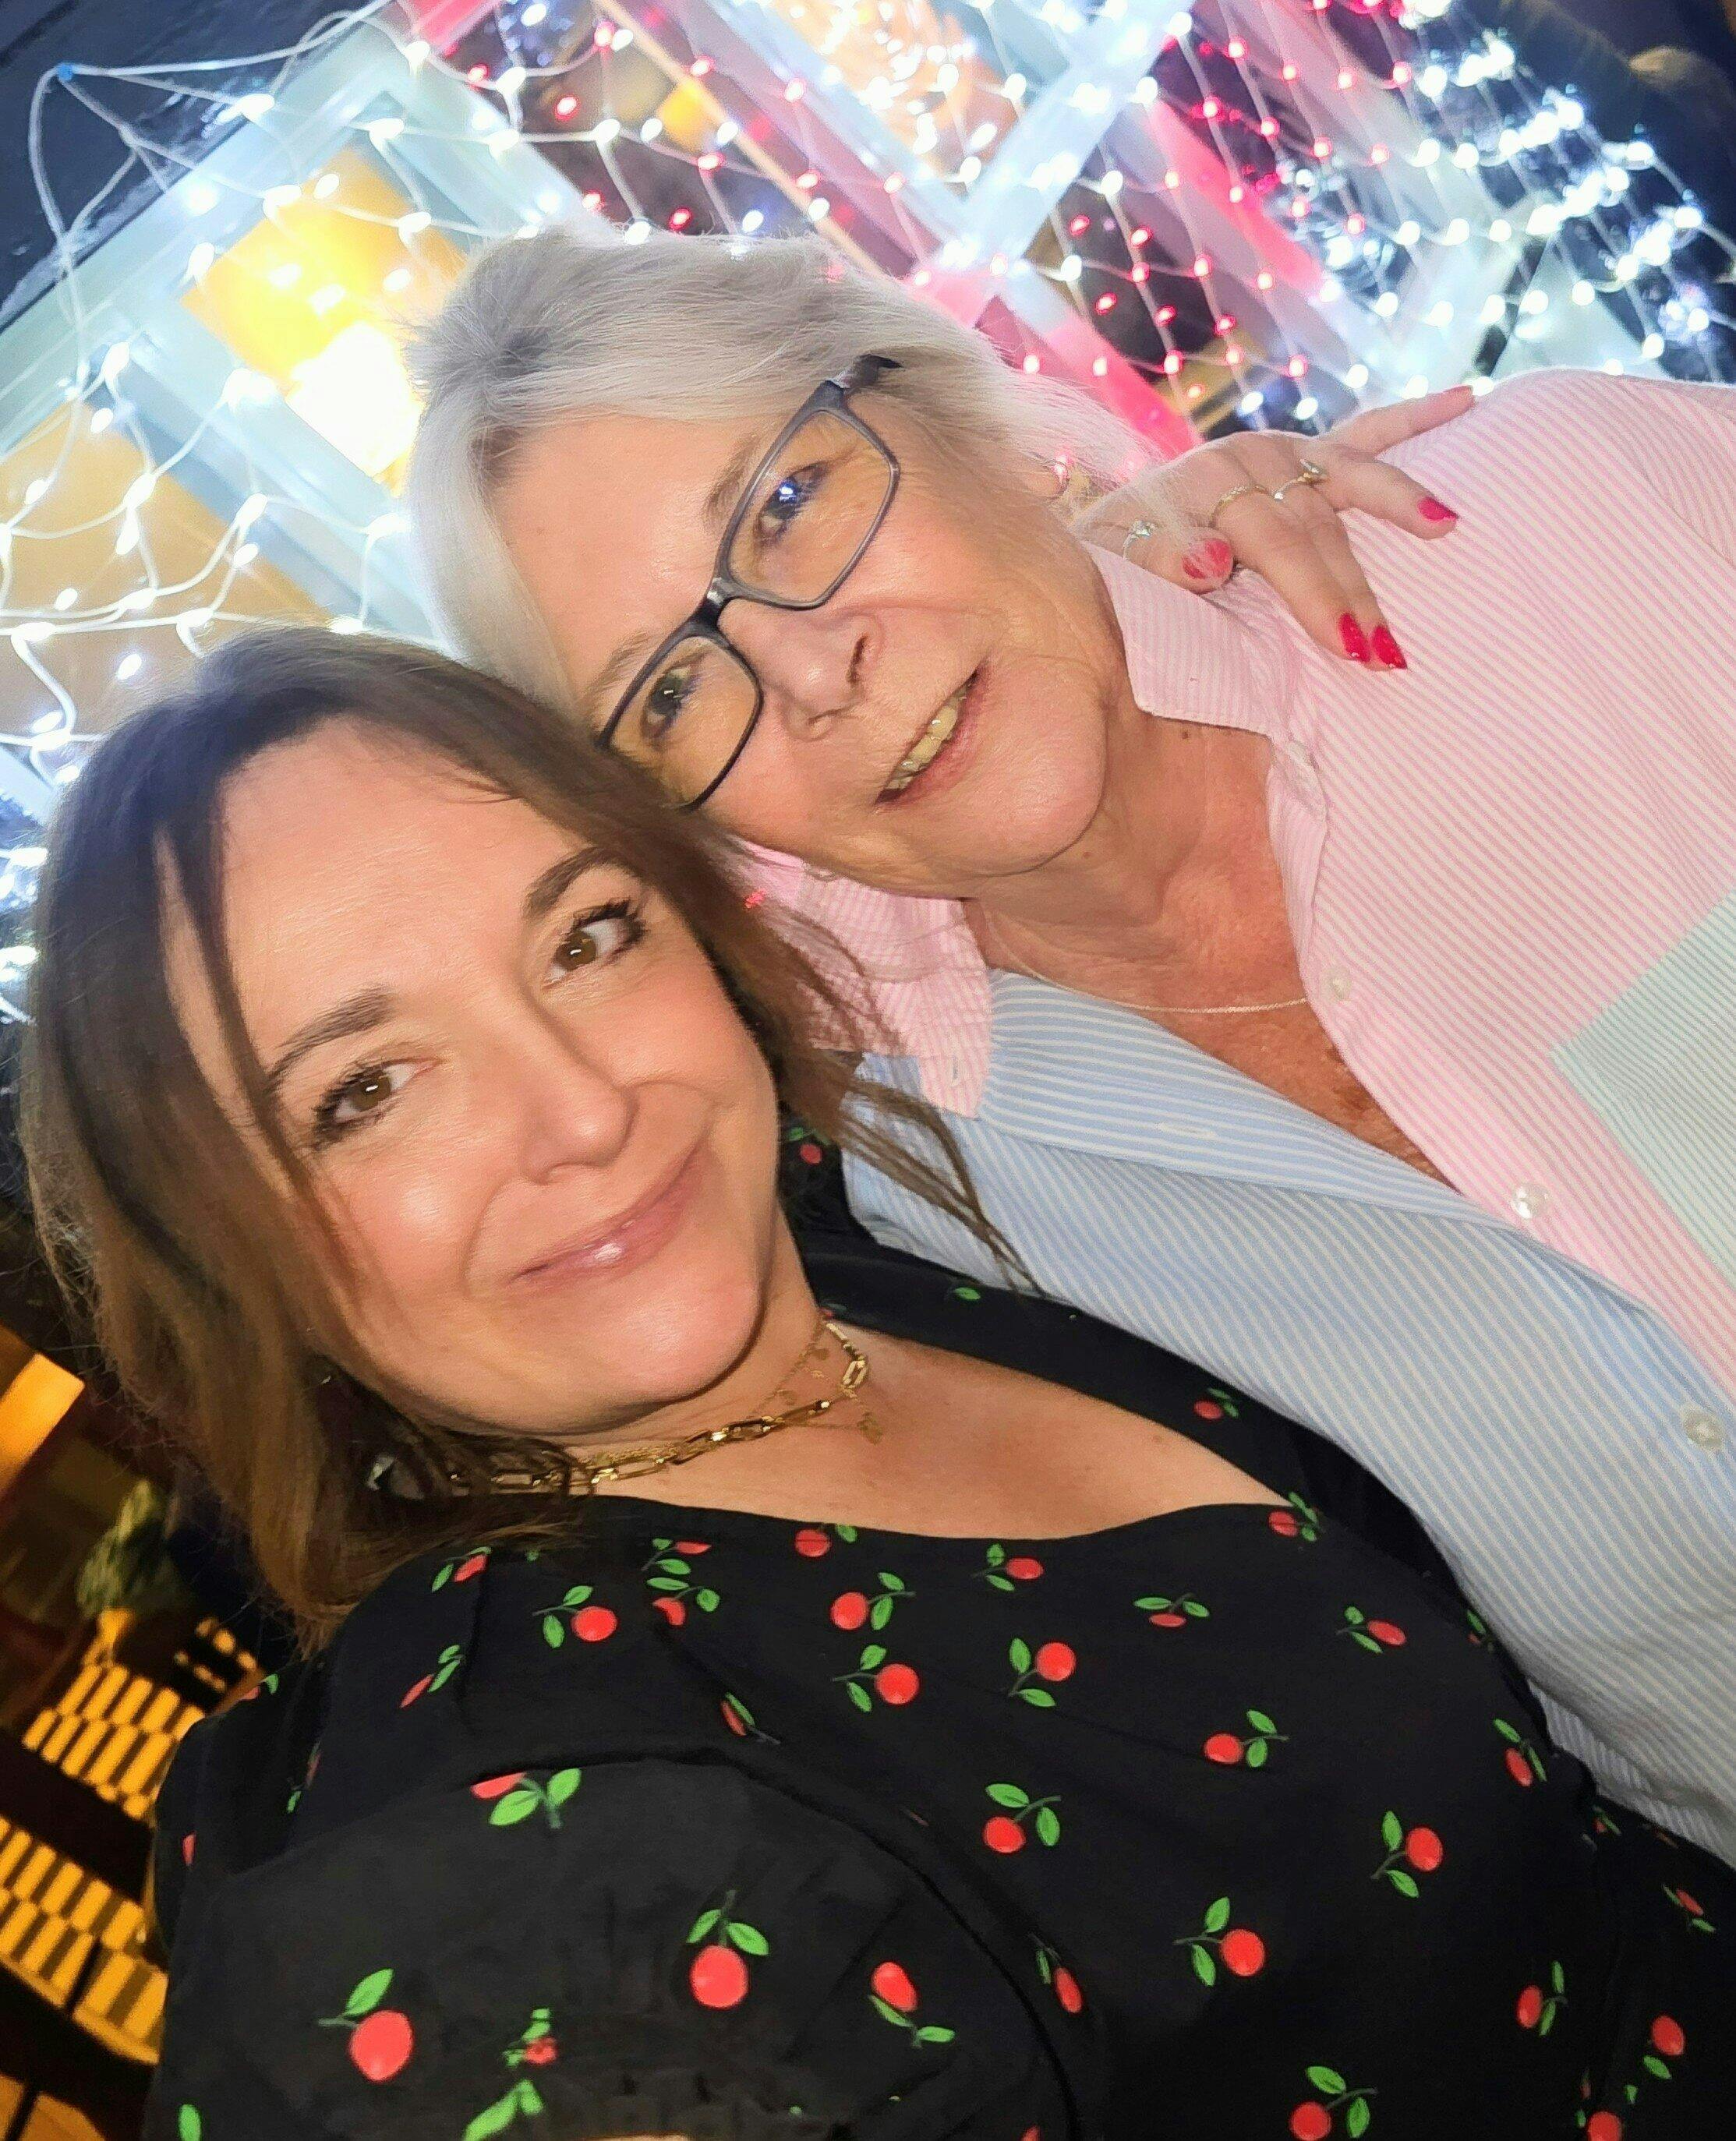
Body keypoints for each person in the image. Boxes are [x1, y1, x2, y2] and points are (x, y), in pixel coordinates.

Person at [24, 634, 1736, 2139]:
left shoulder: (867, 1208)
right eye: (368, 1088)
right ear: (226, 1253)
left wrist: (1169, 567)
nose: (585, 1110)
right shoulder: (534, 1728)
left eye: (587, 937)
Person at [404, 228, 1736, 1861]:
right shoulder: (927, 1202)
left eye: (787, 504)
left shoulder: (1573, 530)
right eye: (675, 693)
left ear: (962, 413)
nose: (810, 674)